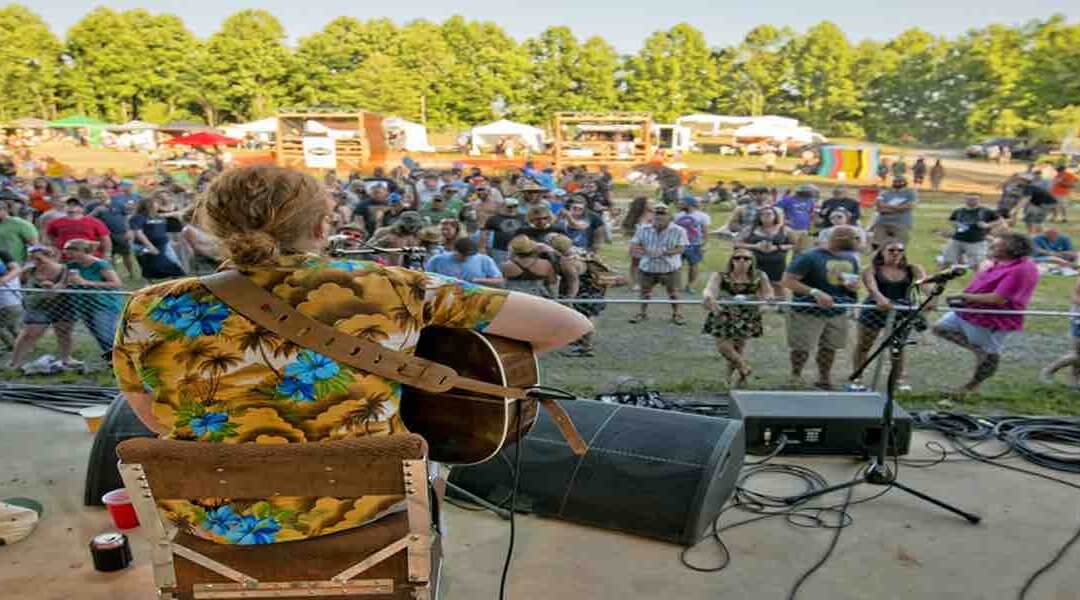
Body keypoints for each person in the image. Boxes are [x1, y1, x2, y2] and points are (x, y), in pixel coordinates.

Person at [113, 165, 592, 545]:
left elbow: (152, 416)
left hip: (211, 518)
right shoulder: (387, 286)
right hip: (365, 506)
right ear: (322, 225)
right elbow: (569, 325)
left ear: (211, 227)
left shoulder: (149, 305)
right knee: (430, 466)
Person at [932, 232, 1039, 394]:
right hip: (968, 311)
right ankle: (979, 351)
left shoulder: (1020, 269)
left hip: (990, 318)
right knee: (940, 328)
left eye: (996, 245)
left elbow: (998, 299)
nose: (991, 247)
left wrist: (963, 296)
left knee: (989, 354)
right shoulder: (1000, 261)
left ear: (1011, 249)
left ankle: (972, 387)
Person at [781, 226, 861, 389]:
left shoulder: (851, 259)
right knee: (801, 347)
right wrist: (814, 292)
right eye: (855, 238)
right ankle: (796, 376)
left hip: (836, 311)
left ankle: (824, 378)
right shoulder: (809, 257)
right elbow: (788, 281)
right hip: (807, 311)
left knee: (830, 347)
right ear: (840, 238)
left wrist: (853, 286)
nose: (858, 242)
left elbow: (854, 283)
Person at [852, 242, 930, 389]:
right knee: (864, 345)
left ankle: (898, 380)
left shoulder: (912, 268)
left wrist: (930, 297)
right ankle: (858, 377)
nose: (896, 253)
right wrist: (879, 297)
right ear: (882, 252)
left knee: (897, 347)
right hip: (875, 309)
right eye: (891, 250)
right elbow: (871, 286)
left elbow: (924, 283)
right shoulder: (872, 269)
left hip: (901, 311)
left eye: (900, 250)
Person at [702, 250, 772, 386]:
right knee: (723, 346)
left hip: (747, 315)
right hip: (723, 313)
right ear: (731, 260)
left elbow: (768, 292)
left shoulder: (760, 275)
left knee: (739, 348)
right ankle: (744, 367)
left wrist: (766, 302)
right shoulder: (720, 275)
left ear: (752, 262)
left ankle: (733, 379)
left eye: (746, 259)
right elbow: (710, 288)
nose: (741, 261)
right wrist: (708, 297)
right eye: (737, 258)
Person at [7, 246, 77, 372]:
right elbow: (22, 285)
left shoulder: (64, 269)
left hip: (63, 305)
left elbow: (65, 285)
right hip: (38, 306)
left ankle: (66, 359)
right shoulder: (29, 271)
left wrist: (52, 288)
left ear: (51, 257)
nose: (36, 262)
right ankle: (14, 363)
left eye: (39, 259)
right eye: (32, 259)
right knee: (29, 334)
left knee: (64, 332)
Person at [629, 204, 689, 325]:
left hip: (670, 268)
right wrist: (643, 251)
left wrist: (664, 252)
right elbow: (635, 245)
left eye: (663, 215)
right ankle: (642, 313)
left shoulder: (679, 230)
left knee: (673, 293)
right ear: (653, 216)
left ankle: (677, 314)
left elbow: (682, 248)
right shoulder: (642, 229)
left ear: (669, 217)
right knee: (644, 292)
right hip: (647, 267)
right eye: (657, 214)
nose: (659, 217)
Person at [63, 238, 123, 356]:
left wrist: (86, 282)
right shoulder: (71, 266)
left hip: (103, 304)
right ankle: (113, 360)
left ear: (82, 251)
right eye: (66, 250)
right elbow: (63, 283)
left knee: (105, 334)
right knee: (98, 335)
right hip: (83, 304)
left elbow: (116, 283)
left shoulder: (100, 264)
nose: (66, 253)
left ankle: (125, 359)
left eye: (70, 250)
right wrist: (52, 286)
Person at [735, 207, 793, 301]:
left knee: (778, 284)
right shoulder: (750, 229)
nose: (766, 216)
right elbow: (737, 243)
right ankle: (755, 303)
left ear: (775, 216)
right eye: (763, 214)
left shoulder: (785, 230)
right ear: (759, 217)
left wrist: (777, 247)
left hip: (777, 263)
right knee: (754, 282)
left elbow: (795, 244)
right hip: (755, 262)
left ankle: (781, 305)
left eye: (769, 213)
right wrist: (755, 246)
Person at [130, 196, 186, 280]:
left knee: (174, 263)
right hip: (145, 246)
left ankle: (176, 282)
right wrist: (150, 246)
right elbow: (138, 233)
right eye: (155, 203)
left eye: (158, 204)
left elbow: (162, 231)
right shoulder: (139, 217)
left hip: (163, 244)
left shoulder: (158, 216)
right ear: (147, 205)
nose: (158, 205)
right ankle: (149, 283)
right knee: (149, 265)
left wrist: (169, 241)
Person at [1039, 278, 1080, 388]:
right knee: (1077, 354)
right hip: (1078, 318)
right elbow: (1076, 296)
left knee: (1078, 354)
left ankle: (1074, 382)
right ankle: (1048, 371)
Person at [943, 195, 1002, 268]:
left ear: (979, 200)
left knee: (976, 265)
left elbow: (999, 221)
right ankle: (939, 278)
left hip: (976, 242)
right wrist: (957, 224)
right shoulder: (958, 211)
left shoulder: (986, 211)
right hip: (957, 240)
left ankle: (980, 279)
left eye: (975, 199)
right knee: (947, 261)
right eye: (969, 199)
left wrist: (987, 225)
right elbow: (951, 220)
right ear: (965, 200)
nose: (972, 201)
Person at [45, 198, 112, 259]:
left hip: (89, 257)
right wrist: (55, 249)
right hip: (65, 258)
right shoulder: (55, 223)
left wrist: (106, 255)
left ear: (81, 208)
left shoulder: (94, 222)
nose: (70, 207)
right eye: (68, 205)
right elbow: (50, 237)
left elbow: (105, 239)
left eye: (74, 205)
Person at [424, 237, 504, 286]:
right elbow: (425, 276)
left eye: (470, 255)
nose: (467, 257)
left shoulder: (484, 260)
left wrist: (477, 280)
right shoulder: (438, 259)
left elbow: (499, 280)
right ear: (455, 250)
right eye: (464, 255)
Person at [673, 196, 711, 293]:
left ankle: (690, 285)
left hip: (695, 244)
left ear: (689, 204)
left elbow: (705, 230)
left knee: (693, 264)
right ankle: (677, 285)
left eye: (682, 203)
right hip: (679, 244)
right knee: (676, 265)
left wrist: (704, 243)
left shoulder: (702, 216)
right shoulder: (677, 215)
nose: (679, 204)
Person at [871, 176, 917, 248]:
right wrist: (898, 208)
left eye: (900, 182)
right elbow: (878, 206)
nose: (897, 183)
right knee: (877, 245)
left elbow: (908, 206)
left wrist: (887, 206)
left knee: (898, 247)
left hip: (901, 223)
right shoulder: (885, 193)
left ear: (905, 183)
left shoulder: (910, 194)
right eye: (895, 181)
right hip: (883, 222)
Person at [481, 197, 525, 265]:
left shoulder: (523, 217)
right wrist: (482, 247)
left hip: (519, 250)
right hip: (500, 250)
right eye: (509, 206)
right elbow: (485, 233)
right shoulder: (493, 218)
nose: (512, 208)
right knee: (500, 270)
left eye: (515, 206)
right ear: (503, 206)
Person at [621, 196, 652, 291]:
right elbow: (626, 230)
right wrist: (634, 234)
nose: (650, 204)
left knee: (648, 264)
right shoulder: (633, 216)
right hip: (637, 244)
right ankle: (635, 282)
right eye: (648, 202)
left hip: (651, 244)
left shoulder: (652, 214)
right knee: (636, 263)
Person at [776, 185, 817, 254]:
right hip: (791, 229)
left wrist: (811, 224)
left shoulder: (810, 201)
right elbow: (776, 210)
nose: (811, 195)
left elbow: (810, 213)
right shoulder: (787, 200)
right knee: (793, 248)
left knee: (802, 251)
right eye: (809, 193)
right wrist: (783, 220)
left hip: (805, 229)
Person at [0, 200, 38, 264]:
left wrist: (29, 264)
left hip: (17, 264)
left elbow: (35, 246)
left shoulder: (19, 223)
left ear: (5, 210)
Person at [0, 250, 20, 352]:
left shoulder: (3, 253)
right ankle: (18, 346)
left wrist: (4, 280)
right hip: (6, 301)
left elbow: (16, 269)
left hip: (10, 300)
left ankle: (16, 347)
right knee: (12, 327)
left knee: (12, 326)